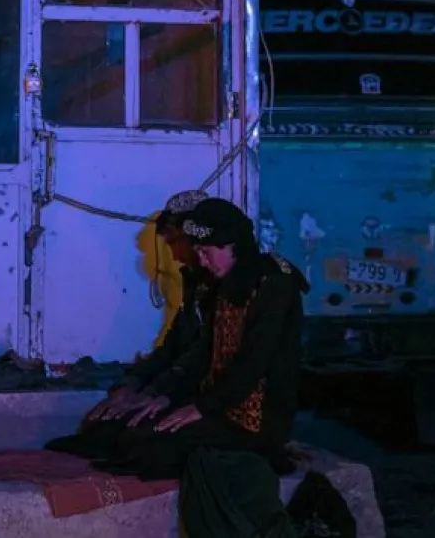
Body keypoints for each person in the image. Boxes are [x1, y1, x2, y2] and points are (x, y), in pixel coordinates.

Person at [52, 198, 310, 482]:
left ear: (230, 245)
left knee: (151, 445)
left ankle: (263, 458)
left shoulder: (273, 284)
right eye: (197, 250)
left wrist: (199, 407)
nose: (200, 260)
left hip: (254, 421)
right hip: (216, 405)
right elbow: (201, 352)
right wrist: (161, 395)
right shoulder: (222, 283)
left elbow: (254, 363)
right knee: (129, 431)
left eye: (206, 251)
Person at [85, 189, 214, 423]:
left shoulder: (234, 289)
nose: (174, 256)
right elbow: (171, 349)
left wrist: (155, 394)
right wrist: (127, 386)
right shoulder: (195, 285)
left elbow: (203, 360)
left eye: (176, 242)